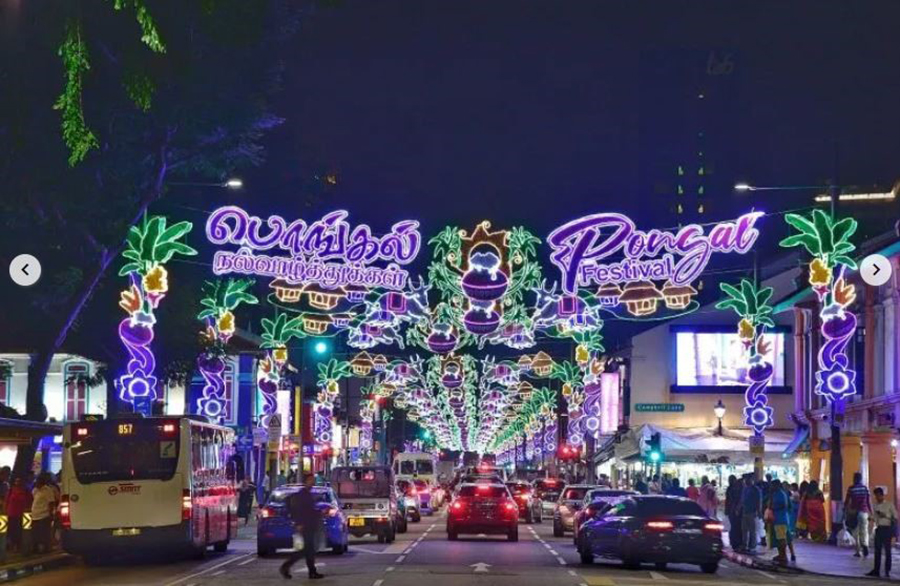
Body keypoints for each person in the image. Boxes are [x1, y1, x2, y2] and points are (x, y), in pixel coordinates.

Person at [280, 474, 324, 580]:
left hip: (309, 524)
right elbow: (301, 510)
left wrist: (319, 512)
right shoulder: (302, 494)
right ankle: (286, 566)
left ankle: (312, 572)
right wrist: (299, 523)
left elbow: (309, 510)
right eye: (311, 480)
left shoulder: (307, 494)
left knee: (309, 549)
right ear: (306, 481)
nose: (313, 482)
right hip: (305, 525)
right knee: (306, 549)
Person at [867, 487, 897, 578]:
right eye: (875, 496)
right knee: (877, 550)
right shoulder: (875, 505)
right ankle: (876, 570)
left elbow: (895, 517)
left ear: (882, 495)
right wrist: (871, 518)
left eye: (878, 496)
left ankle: (887, 570)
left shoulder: (889, 505)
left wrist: (885, 515)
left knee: (887, 551)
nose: (876, 498)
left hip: (887, 529)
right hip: (879, 528)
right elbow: (875, 517)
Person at [845, 472, 872, 558]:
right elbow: (868, 501)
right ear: (861, 479)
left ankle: (858, 551)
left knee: (855, 532)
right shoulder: (865, 488)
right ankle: (865, 545)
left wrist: (845, 509)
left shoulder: (851, 488)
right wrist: (870, 512)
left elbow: (847, 500)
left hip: (854, 512)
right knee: (864, 531)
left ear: (854, 479)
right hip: (864, 512)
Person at [31, 473, 57, 554]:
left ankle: (46, 548)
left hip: (44, 515)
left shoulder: (47, 490)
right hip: (35, 515)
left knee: (44, 533)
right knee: (35, 533)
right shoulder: (35, 490)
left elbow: (51, 503)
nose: (36, 484)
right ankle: (36, 548)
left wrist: (51, 514)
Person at [6, 476, 32, 552]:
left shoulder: (26, 491)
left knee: (19, 531)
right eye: (16, 481)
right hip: (11, 514)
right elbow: (7, 501)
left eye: (19, 481)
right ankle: (12, 545)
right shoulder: (11, 490)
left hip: (21, 515)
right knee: (11, 530)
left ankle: (19, 545)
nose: (18, 483)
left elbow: (30, 501)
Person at [769, 480, 791, 564]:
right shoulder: (776, 494)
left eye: (773, 485)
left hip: (780, 519)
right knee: (779, 538)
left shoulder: (781, 494)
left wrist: (774, 507)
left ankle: (783, 555)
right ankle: (780, 554)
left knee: (781, 538)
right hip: (777, 519)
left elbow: (783, 505)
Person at [740, 475, 761, 554]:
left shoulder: (755, 490)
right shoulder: (745, 489)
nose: (746, 481)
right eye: (746, 480)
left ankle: (752, 546)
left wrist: (759, 511)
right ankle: (745, 545)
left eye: (747, 479)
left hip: (752, 512)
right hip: (745, 512)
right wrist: (739, 508)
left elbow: (758, 501)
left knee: (752, 530)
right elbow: (742, 500)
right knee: (744, 530)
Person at [725, 475, 743, 550]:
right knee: (736, 527)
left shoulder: (732, 489)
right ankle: (736, 543)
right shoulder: (734, 489)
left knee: (735, 527)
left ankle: (735, 543)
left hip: (733, 510)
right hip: (733, 510)